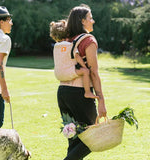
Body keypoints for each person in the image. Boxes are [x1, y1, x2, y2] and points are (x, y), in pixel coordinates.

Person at [55, 4, 107, 160]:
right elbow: (94, 73)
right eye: (90, 18)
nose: (93, 21)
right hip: (80, 93)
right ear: (83, 21)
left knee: (73, 137)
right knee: (93, 135)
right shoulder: (88, 40)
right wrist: (102, 101)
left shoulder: (67, 39)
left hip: (63, 92)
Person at [50, 20, 98, 99]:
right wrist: (84, 67)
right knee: (85, 72)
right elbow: (77, 57)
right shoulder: (70, 45)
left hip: (58, 74)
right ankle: (88, 92)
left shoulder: (56, 46)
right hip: (67, 73)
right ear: (68, 33)